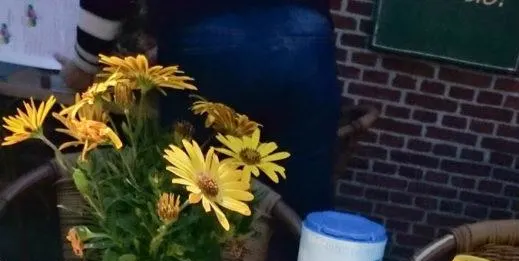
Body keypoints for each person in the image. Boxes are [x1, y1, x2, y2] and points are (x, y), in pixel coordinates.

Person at [61, 0, 341, 217]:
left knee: (192, 208)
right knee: (306, 215)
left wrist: (84, 66)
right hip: (307, 39)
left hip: (205, 37)